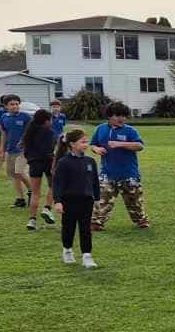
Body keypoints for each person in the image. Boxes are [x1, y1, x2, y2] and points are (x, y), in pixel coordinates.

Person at [89, 105, 149, 231]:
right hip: (107, 173)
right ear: (109, 116)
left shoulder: (130, 131)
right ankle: (97, 222)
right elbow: (93, 144)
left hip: (129, 174)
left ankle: (141, 220)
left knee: (134, 200)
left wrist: (120, 144)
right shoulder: (100, 129)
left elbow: (140, 146)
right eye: (118, 115)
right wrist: (97, 149)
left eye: (124, 116)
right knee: (102, 199)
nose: (122, 118)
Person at [52, 126, 100, 268]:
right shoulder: (64, 162)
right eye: (82, 142)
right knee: (69, 228)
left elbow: (95, 182)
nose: (86, 145)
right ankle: (67, 250)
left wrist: (97, 198)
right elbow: (58, 184)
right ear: (72, 144)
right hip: (69, 201)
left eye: (86, 142)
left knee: (85, 229)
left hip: (86, 201)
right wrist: (58, 201)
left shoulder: (90, 161)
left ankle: (87, 256)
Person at [21, 109, 60, 230]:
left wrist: (31, 159)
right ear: (46, 121)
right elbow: (50, 150)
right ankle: (47, 208)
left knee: (35, 192)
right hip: (48, 162)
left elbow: (26, 151)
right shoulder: (49, 133)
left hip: (34, 163)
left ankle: (32, 220)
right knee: (53, 186)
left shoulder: (30, 133)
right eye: (51, 120)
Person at [0, 93, 31, 207]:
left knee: (19, 172)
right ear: (6, 106)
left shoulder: (25, 117)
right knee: (14, 175)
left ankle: (32, 190)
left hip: (23, 150)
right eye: (12, 104)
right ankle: (20, 199)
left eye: (17, 104)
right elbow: (4, 133)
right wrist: (2, 149)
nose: (15, 106)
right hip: (10, 150)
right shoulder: (4, 117)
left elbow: (30, 133)